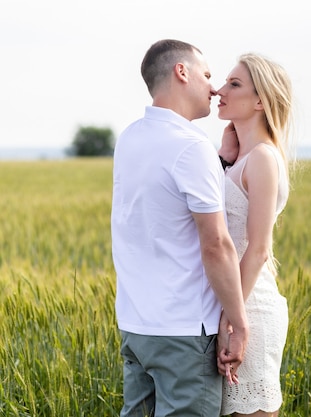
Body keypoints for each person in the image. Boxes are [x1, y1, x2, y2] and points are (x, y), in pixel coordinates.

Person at [111, 39, 249, 417]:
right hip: (185, 331)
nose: (214, 86)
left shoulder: (131, 139)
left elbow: (161, 210)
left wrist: (218, 160)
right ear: (181, 72)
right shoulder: (190, 147)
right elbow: (216, 246)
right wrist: (238, 321)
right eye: (206, 74)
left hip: (137, 326)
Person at [215, 53, 294, 417]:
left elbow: (259, 248)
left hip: (251, 311)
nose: (219, 91)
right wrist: (225, 160)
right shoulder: (241, 158)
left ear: (260, 100)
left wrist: (231, 318)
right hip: (234, 307)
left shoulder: (262, 157)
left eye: (234, 84)